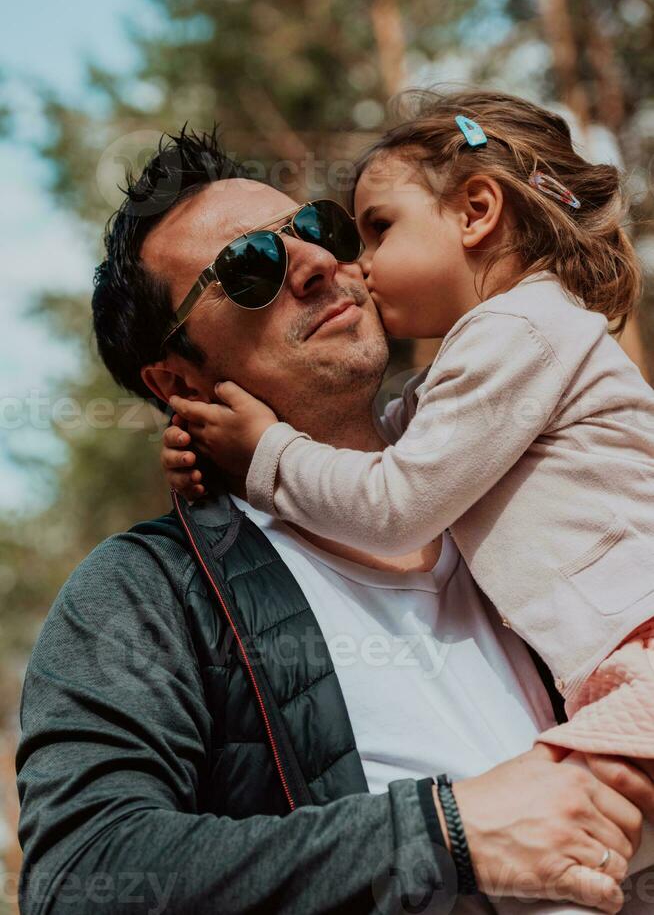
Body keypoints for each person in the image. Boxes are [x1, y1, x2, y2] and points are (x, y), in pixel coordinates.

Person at [17, 126, 654, 915]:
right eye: (249, 267)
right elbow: (82, 877)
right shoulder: (143, 594)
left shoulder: (524, 485)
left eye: (318, 228)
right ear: (176, 375)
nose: (319, 263)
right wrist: (442, 834)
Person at [161, 93, 654, 858]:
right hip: (619, 657)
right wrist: (222, 459)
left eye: (373, 228)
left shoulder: (518, 329)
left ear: (476, 211)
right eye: (251, 267)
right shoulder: (483, 356)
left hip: (643, 651)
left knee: (558, 830)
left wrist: (262, 455)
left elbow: (395, 502)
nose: (346, 264)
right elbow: (375, 461)